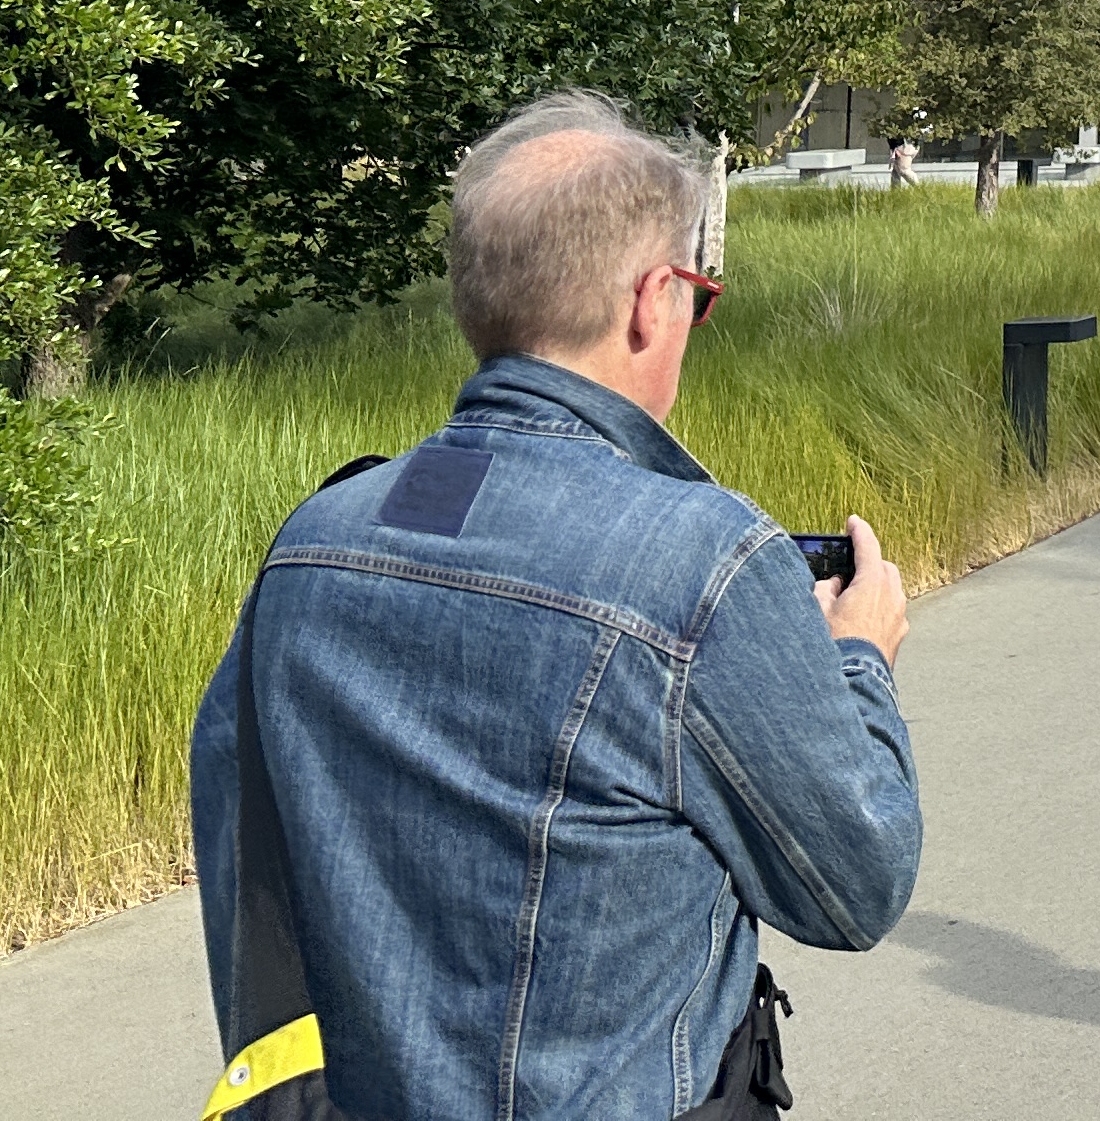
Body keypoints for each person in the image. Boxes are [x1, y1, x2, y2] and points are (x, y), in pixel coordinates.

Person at [189, 93, 923, 1118]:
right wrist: (858, 659)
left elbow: (244, 860)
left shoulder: (314, 542)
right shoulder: (705, 564)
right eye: (696, 299)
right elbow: (857, 885)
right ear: (653, 298)